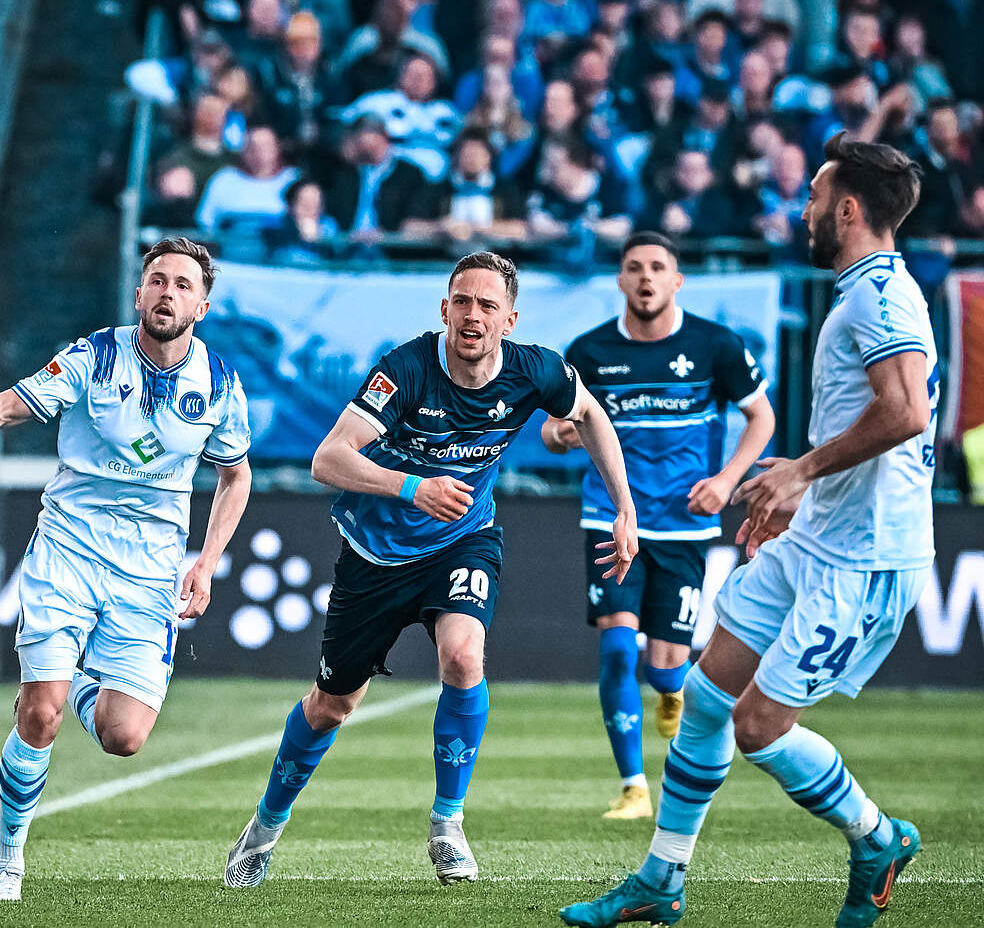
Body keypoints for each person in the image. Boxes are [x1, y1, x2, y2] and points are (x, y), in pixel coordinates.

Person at [559, 134, 935, 928]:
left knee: (758, 725)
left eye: (814, 197)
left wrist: (800, 471)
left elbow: (907, 412)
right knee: (702, 698)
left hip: (865, 558)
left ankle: (877, 837)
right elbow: (876, 423)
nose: (804, 212)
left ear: (847, 209)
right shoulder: (862, 291)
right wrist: (804, 488)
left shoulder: (879, 294)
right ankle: (661, 881)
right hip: (822, 538)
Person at [224, 251, 640, 888]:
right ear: (445, 309)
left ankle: (448, 824)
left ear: (509, 320)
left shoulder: (535, 370)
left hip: (464, 540)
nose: (473, 315)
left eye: (488, 306)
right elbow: (327, 459)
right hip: (375, 554)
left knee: (463, 656)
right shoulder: (405, 370)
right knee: (332, 706)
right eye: (463, 302)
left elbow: (589, 415)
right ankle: (264, 828)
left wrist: (624, 507)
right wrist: (411, 487)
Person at [0, 237, 253, 903]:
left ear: (202, 307)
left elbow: (235, 475)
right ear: (138, 294)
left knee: (124, 737)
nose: (167, 293)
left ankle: (65, 684)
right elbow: (19, 399)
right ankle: (8, 857)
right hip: (68, 551)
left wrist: (207, 562)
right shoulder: (95, 356)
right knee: (41, 717)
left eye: (182, 285)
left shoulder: (221, 385)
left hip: (150, 571)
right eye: (157, 280)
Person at [542, 231, 775, 820]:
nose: (646, 277)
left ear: (677, 280)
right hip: (612, 517)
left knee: (665, 667)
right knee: (619, 649)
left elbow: (761, 417)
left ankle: (670, 690)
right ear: (620, 280)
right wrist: (563, 434)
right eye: (634, 267)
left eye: (657, 267)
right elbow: (550, 430)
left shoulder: (715, 345)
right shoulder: (590, 352)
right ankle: (634, 788)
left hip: (684, 525)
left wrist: (727, 481)